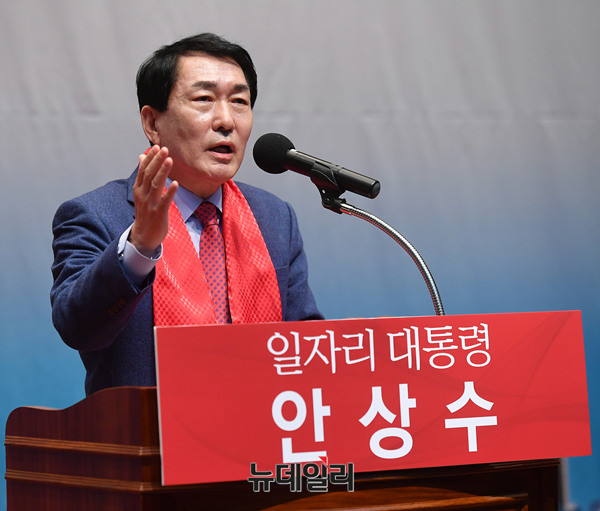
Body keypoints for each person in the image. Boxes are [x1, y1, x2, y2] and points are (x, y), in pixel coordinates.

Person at [51, 33, 322, 395]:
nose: (226, 120)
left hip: (263, 425)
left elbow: (305, 343)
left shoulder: (274, 218)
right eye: (204, 100)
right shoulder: (95, 214)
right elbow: (78, 329)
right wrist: (139, 246)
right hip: (148, 430)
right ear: (152, 123)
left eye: (239, 102)